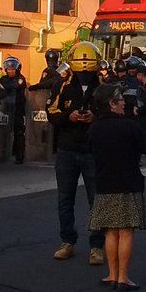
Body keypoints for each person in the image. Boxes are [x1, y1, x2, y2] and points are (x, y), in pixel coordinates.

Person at [88, 84, 146, 291]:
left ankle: (111, 274)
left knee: (110, 232)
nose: (124, 102)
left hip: (104, 182)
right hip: (128, 182)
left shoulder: (95, 128)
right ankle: (123, 277)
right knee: (125, 232)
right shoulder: (128, 126)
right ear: (112, 104)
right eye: (120, 99)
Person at [47, 41, 105, 265]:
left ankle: (97, 246)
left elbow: (115, 111)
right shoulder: (61, 85)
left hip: (93, 151)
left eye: (87, 70)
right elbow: (51, 112)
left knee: (96, 200)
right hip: (67, 150)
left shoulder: (103, 86)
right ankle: (67, 241)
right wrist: (68, 117)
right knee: (64, 199)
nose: (83, 74)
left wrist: (95, 117)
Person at [0, 56, 28, 164]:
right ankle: (2, 153)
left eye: (12, 69)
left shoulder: (21, 78)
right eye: (8, 69)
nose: (10, 71)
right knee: (2, 132)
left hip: (18, 109)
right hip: (5, 109)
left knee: (19, 132)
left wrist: (6, 86)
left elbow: (14, 86)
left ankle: (19, 156)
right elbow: (0, 86)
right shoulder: (3, 78)